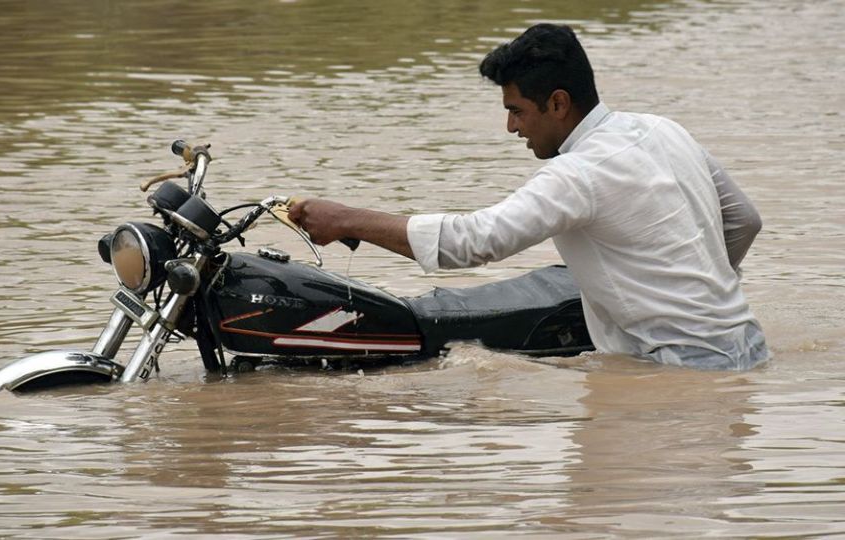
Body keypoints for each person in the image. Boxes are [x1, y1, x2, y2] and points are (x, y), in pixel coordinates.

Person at [288, 23, 768, 370]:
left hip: (682, 365)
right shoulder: (663, 129)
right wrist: (702, 293)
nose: (511, 127)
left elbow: (474, 242)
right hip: (746, 344)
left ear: (558, 103)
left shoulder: (578, 173)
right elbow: (745, 220)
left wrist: (346, 218)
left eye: (516, 111)